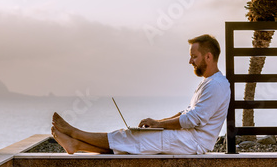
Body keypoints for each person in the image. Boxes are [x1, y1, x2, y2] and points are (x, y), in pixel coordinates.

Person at [51, 34, 230, 155]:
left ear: (208, 57)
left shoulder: (216, 85)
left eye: (194, 56)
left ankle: (75, 133)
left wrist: (159, 124)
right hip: (188, 138)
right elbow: (186, 113)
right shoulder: (209, 83)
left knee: (133, 138)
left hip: (193, 143)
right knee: (132, 141)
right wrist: (157, 124)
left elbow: (192, 120)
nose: (190, 61)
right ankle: (77, 145)